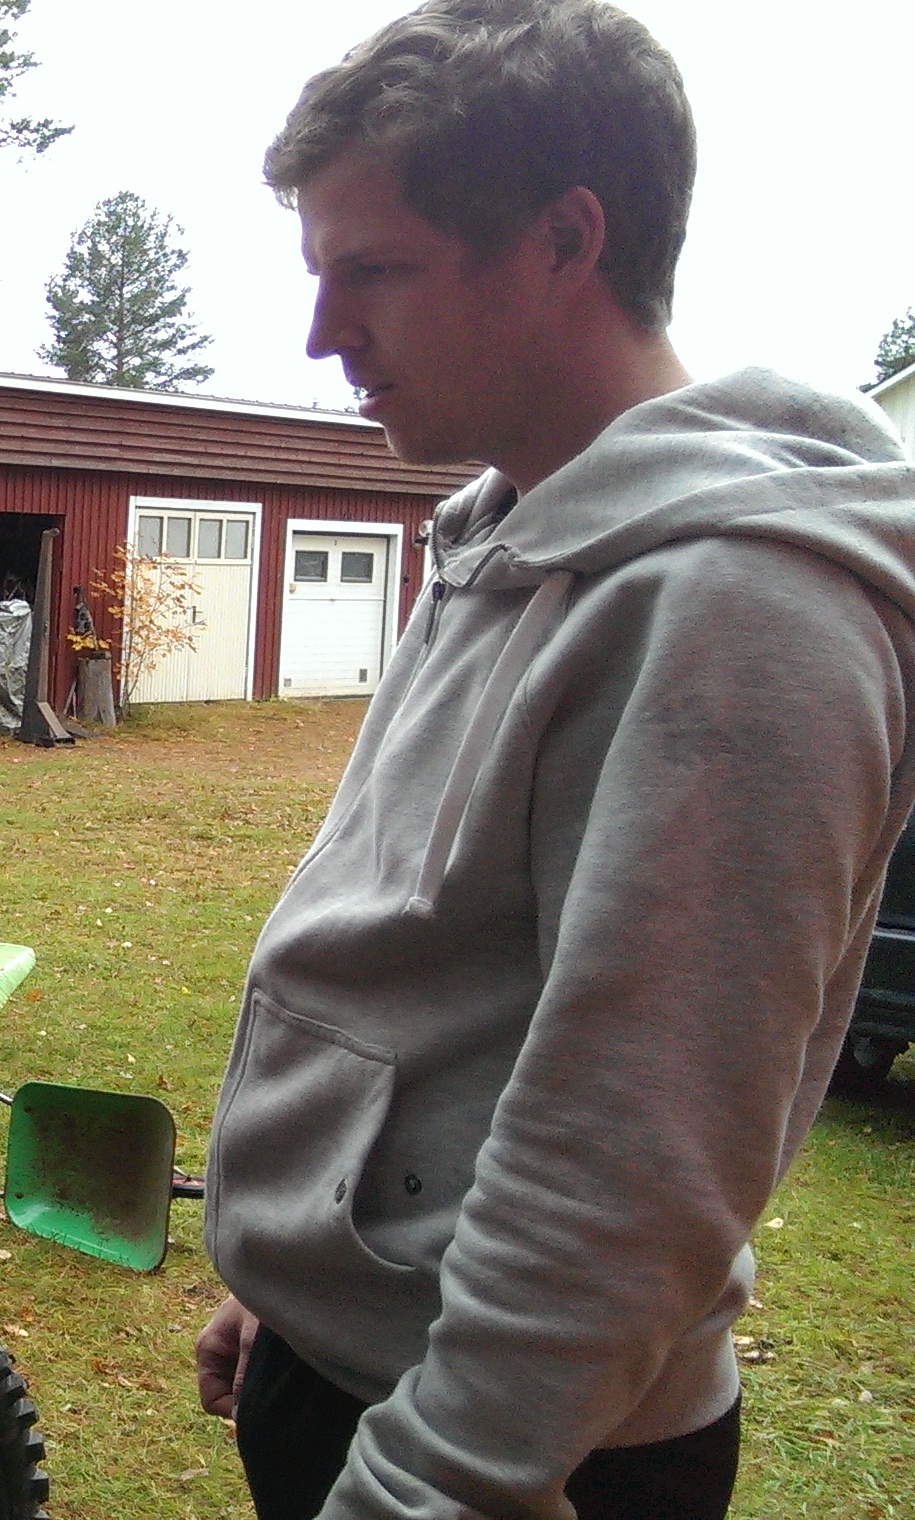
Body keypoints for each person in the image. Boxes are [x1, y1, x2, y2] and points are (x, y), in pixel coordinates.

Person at [191, 4, 915, 1518]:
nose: (325, 334)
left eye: (373, 270)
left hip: (519, 1457)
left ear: (565, 241)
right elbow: (437, 964)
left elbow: (634, 1161)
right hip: (363, 1360)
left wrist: (427, 1481)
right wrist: (306, 1277)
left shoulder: (742, 606)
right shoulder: (513, 531)